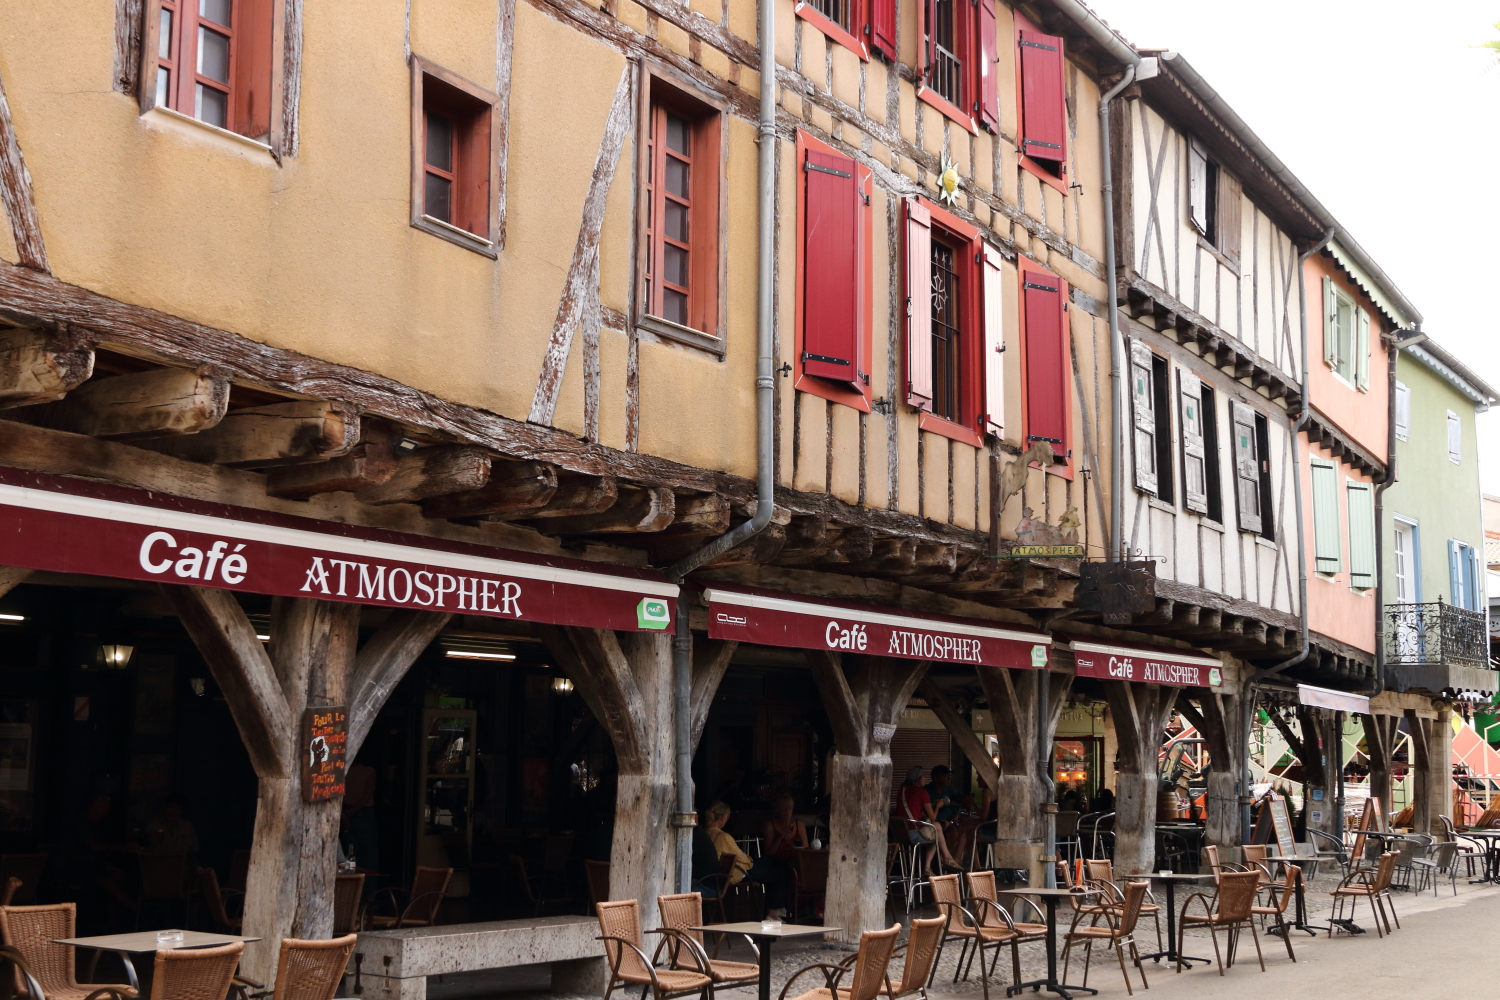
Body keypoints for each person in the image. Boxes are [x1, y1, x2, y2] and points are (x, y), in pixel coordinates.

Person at [899, 767, 960, 876]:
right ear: (918, 779)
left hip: (901, 833)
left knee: (937, 831)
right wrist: (938, 806)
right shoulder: (922, 792)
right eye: (923, 777)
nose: (925, 779)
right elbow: (933, 818)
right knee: (937, 830)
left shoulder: (902, 789)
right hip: (913, 833)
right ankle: (943, 859)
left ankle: (938, 862)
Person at [756, 795, 807, 919]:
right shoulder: (770, 825)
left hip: (797, 859)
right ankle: (780, 908)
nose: (787, 811)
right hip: (778, 860)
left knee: (812, 873)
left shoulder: (799, 824)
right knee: (783, 871)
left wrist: (797, 848)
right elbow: (769, 852)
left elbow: (806, 847)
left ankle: (811, 910)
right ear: (777, 810)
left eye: (789, 807)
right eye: (783, 808)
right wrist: (780, 837)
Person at [704, 801, 753, 885]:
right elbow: (744, 859)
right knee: (771, 868)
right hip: (724, 876)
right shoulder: (723, 837)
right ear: (723, 817)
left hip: (710, 875)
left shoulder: (703, 833)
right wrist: (748, 861)